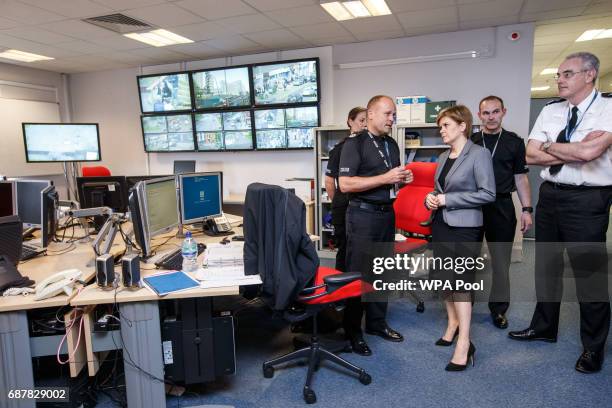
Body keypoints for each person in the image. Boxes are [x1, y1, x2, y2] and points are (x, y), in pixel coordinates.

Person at [508, 52, 612, 374]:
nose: (560, 80)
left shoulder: (609, 109)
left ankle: (593, 348)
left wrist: (551, 145)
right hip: (551, 195)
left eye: (567, 74)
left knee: (589, 277)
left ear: (589, 74)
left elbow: (590, 152)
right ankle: (544, 327)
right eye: (558, 75)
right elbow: (530, 154)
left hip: (588, 200)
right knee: (547, 270)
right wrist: (571, 148)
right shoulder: (553, 111)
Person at [338, 95, 413, 355]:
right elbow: (345, 184)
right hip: (362, 215)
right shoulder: (354, 143)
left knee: (382, 273)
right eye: (388, 114)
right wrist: (385, 177)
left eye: (394, 114)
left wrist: (402, 180)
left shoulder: (392, 144)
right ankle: (352, 332)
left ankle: (376, 323)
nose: (392, 119)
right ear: (370, 114)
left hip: (386, 214)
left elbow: (390, 181)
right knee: (359, 275)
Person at [425, 105, 495, 371]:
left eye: (446, 126)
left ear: (462, 126)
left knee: (462, 283)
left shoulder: (479, 154)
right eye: (440, 126)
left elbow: (488, 193)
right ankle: (452, 324)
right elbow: (437, 189)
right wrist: (431, 198)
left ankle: (465, 342)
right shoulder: (443, 157)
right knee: (445, 280)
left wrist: (447, 199)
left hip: (465, 228)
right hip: (442, 224)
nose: (441, 130)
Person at [471, 96, 533, 329]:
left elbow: (521, 177)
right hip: (474, 205)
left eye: (495, 112)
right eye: (486, 113)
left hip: (502, 206)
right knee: (467, 260)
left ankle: (498, 310)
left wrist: (527, 209)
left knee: (500, 262)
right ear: (479, 115)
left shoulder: (514, 142)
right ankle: (464, 307)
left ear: (503, 112)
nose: (491, 117)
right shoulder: (471, 141)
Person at [325, 107, 367, 272]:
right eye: (361, 120)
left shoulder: (370, 146)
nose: (364, 125)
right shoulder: (341, 148)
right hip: (344, 205)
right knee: (345, 249)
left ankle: (359, 288)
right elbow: (329, 181)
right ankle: (341, 289)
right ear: (350, 121)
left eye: (367, 121)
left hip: (363, 207)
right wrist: (339, 201)